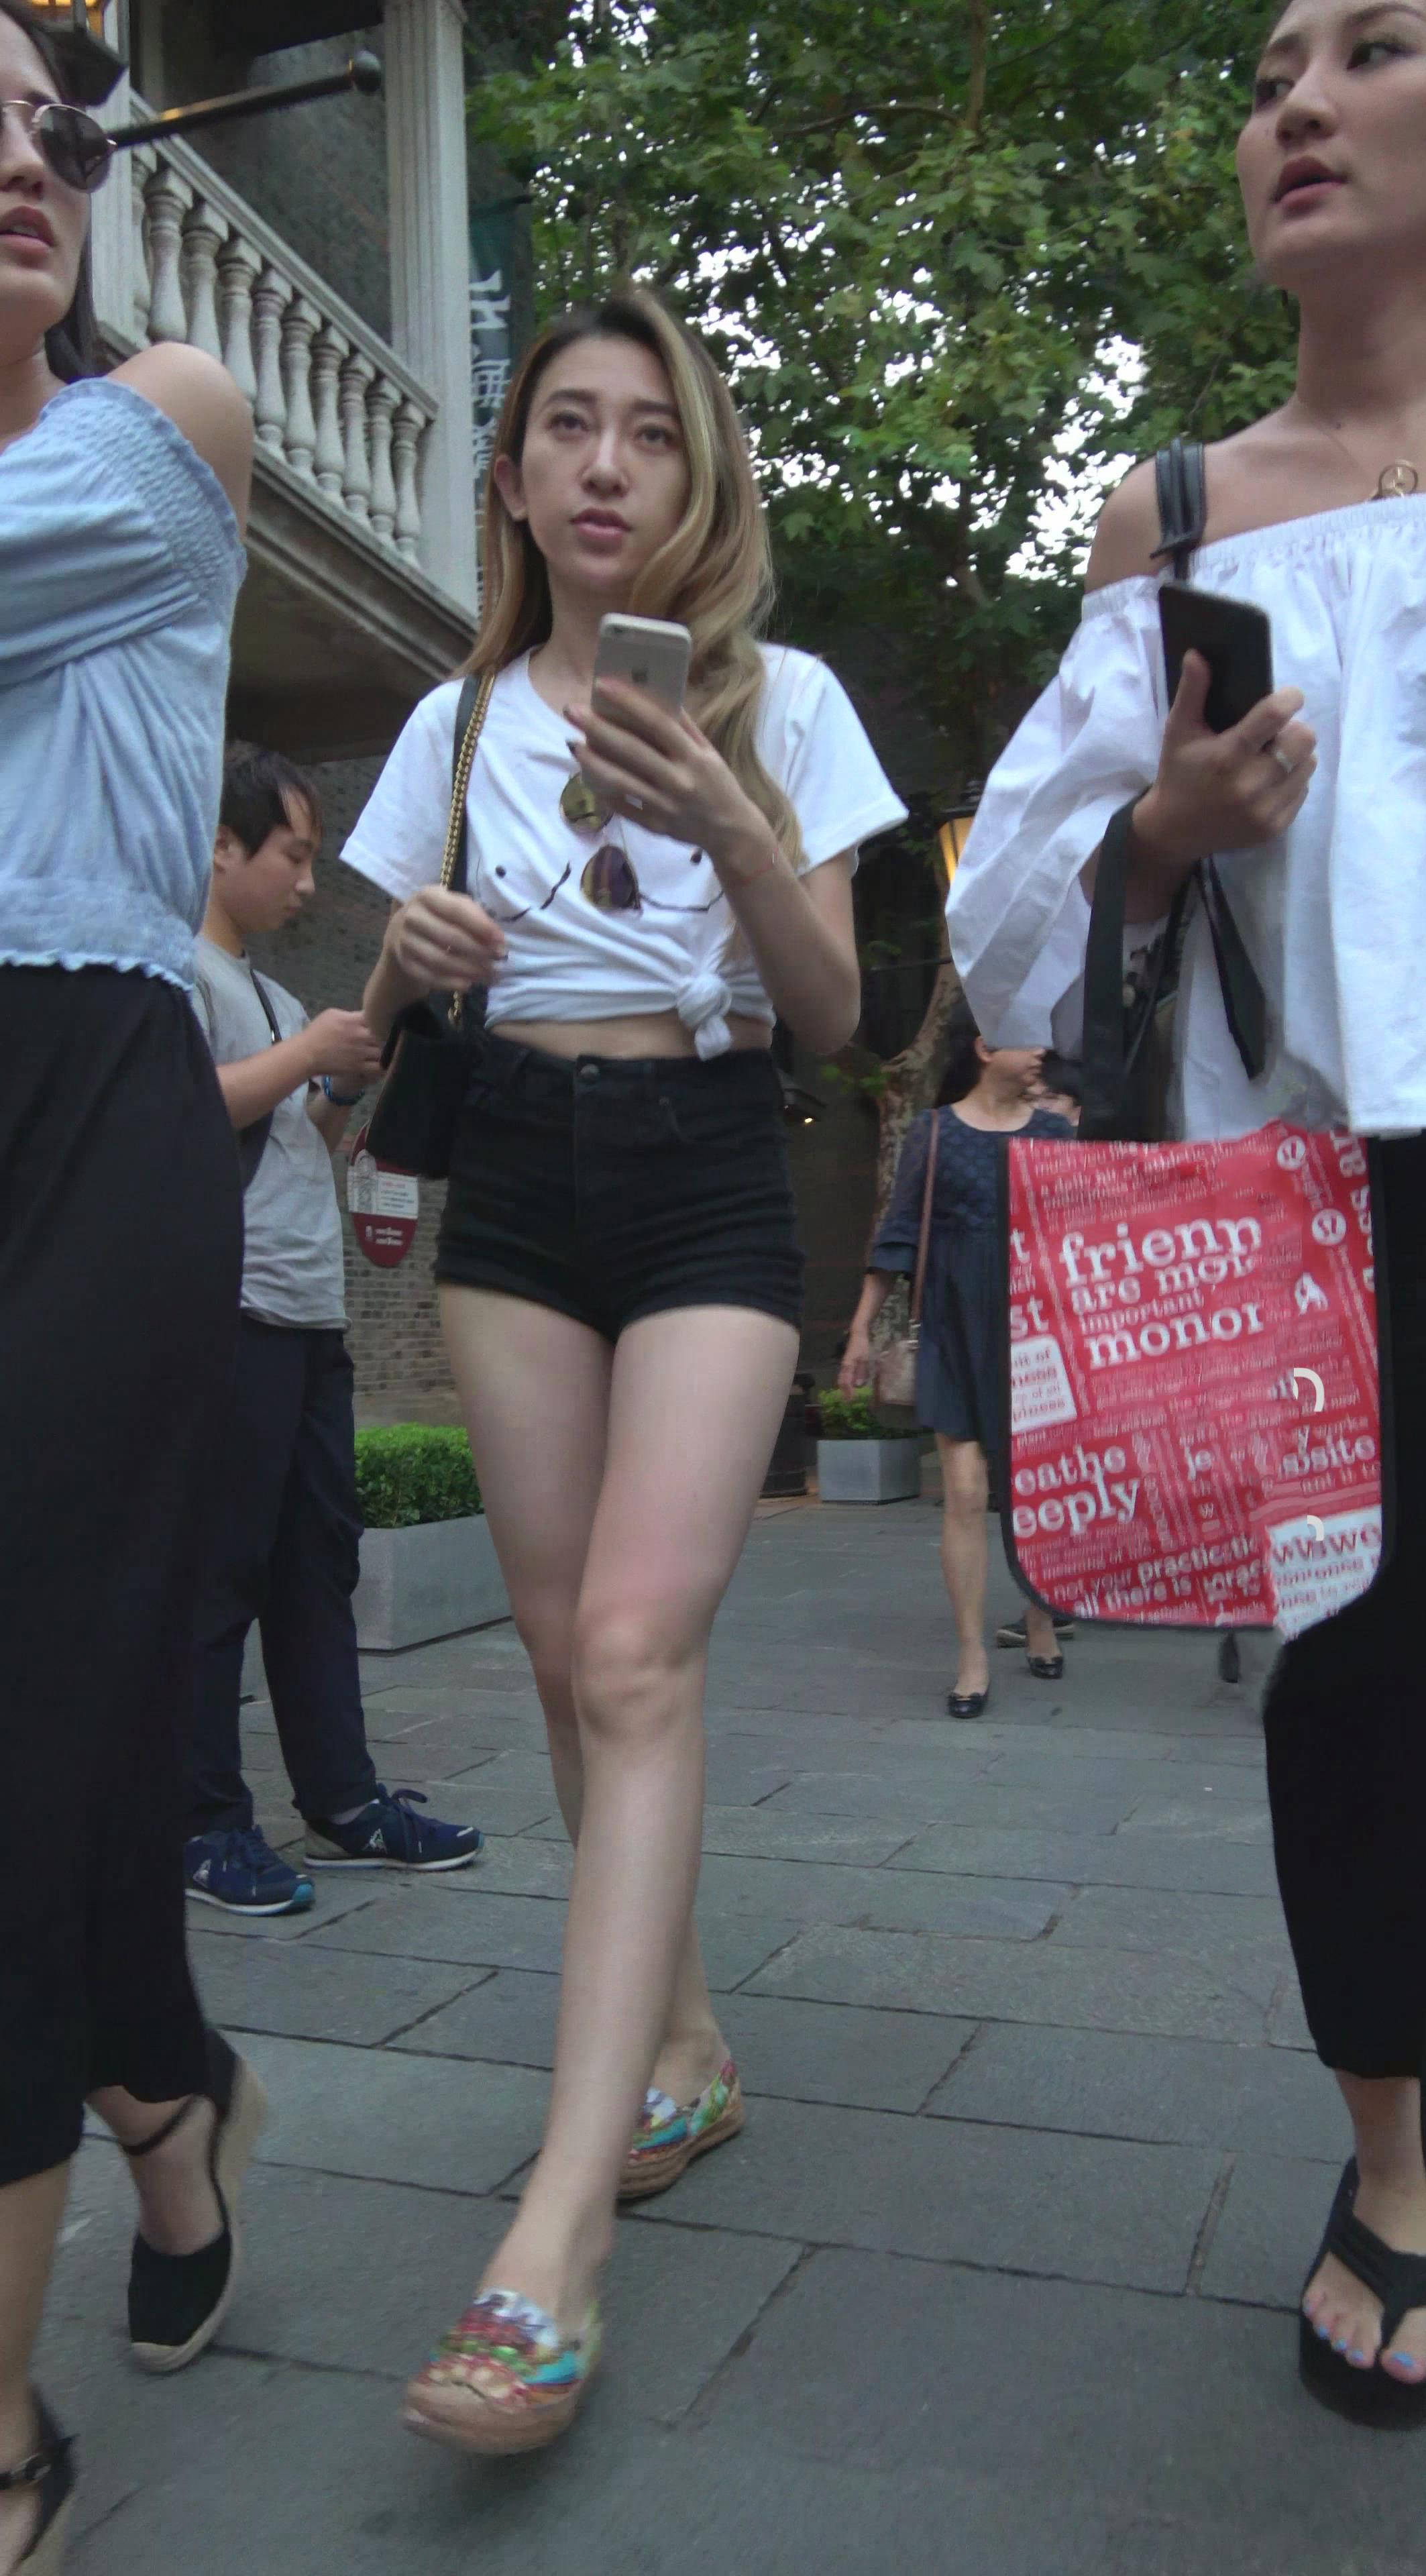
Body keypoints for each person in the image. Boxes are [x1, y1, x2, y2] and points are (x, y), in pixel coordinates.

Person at [946, 0, 1426, 2430]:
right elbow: (1003, 928)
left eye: (1373, 48)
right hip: (1315, 1201)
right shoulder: (1177, 518)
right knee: (1352, 1695)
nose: (1297, 104)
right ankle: (1393, 2165)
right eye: (1265, 75)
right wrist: (1160, 828)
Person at [342, 284, 905, 2455]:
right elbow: (380, 1026)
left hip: (703, 1168)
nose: (604, 464)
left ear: (698, 476)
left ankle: (556, 2228)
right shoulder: (454, 718)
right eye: (567, 427)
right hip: (513, 1173)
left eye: (648, 432)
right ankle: (682, 2046)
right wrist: (405, 962)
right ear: (509, 479)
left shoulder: (790, 700)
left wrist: (729, 813)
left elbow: (836, 1015)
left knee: (643, 1651)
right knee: (571, 1659)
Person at [0, 7, 265, 2565]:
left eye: (46, 116)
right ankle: (167, 2095)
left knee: (20, 1745)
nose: (27, 150)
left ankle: (3, 2442)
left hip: (94, 1117)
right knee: (56, 1763)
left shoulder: (165, 415)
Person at [186, 747, 483, 1916]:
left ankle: (344, 1803)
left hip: (310, 1318)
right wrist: (308, 1054)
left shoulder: (262, 996)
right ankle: (202, 1823)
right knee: (219, 1574)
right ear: (221, 846)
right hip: (231, 1315)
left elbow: (297, 1137)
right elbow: (174, 1115)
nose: (308, 882)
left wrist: (341, 1078)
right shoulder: (174, 973)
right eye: (294, 855)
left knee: (318, 1567)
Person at [839, 1002, 1074, 1715]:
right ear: (985, 1048)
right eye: (1029, 1042)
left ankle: (1038, 1614)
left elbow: (1087, 1230)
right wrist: (860, 1331)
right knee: (967, 1492)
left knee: (1036, 1492)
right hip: (954, 1323)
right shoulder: (934, 1132)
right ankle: (972, 1653)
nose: (1042, 1054)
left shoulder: (1055, 1134)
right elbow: (898, 1234)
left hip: (1038, 1329)